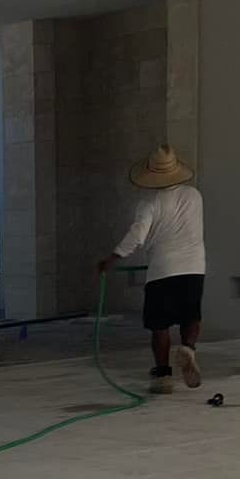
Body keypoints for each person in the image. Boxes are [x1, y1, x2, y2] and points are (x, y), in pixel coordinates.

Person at [99, 145, 205, 393]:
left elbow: (137, 235)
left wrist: (112, 258)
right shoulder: (194, 196)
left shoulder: (149, 203)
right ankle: (188, 348)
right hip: (194, 266)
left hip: (162, 269)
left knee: (160, 325)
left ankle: (163, 376)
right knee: (192, 315)